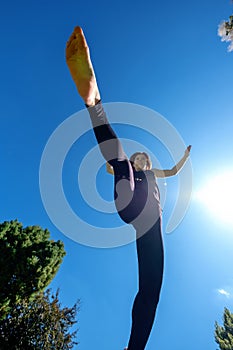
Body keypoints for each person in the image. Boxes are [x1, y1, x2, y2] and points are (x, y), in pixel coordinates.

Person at [66, 26, 191, 350]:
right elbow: (114, 161)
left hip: (146, 223)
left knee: (151, 289)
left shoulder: (151, 173)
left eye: (144, 159)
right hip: (132, 204)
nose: (143, 161)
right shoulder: (128, 168)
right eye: (141, 158)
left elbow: (171, 170)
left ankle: (134, 347)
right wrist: (121, 165)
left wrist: (183, 159)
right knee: (121, 163)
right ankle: (94, 101)